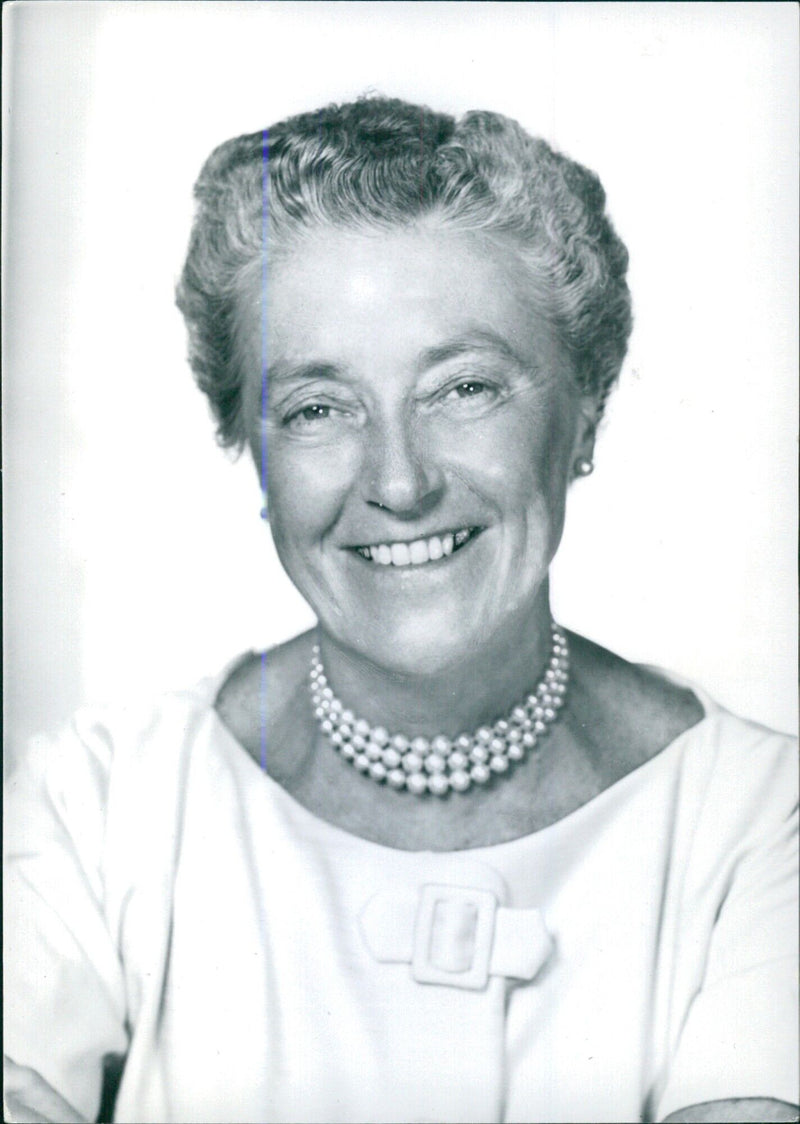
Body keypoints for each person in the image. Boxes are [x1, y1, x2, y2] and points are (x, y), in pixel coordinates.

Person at [4, 97, 797, 1124]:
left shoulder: (758, 825)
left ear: (583, 410)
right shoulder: (100, 804)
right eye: (317, 408)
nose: (399, 480)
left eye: (461, 387)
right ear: (255, 450)